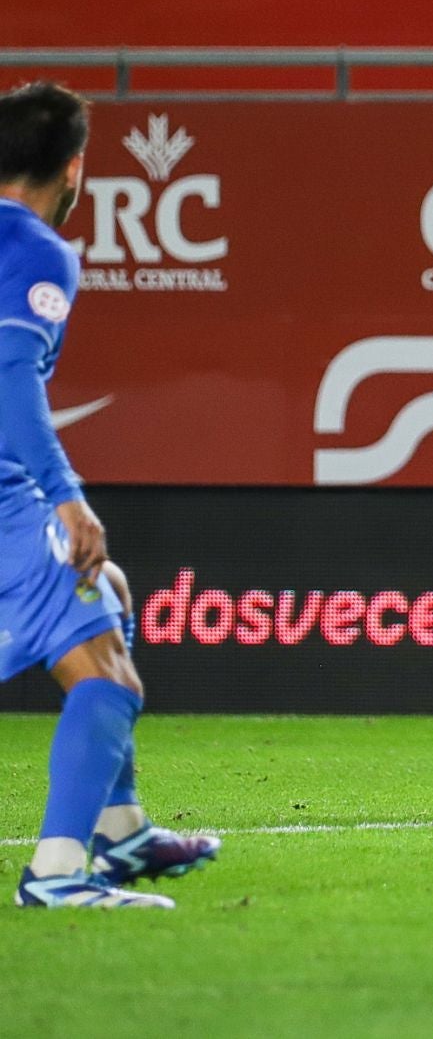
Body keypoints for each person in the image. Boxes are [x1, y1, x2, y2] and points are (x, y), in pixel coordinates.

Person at [1, 82, 220, 909]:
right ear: (74, 168)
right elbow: (10, 374)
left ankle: (120, 829)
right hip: (8, 494)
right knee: (110, 678)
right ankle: (59, 873)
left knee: (110, 589)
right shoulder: (35, 247)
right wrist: (65, 494)